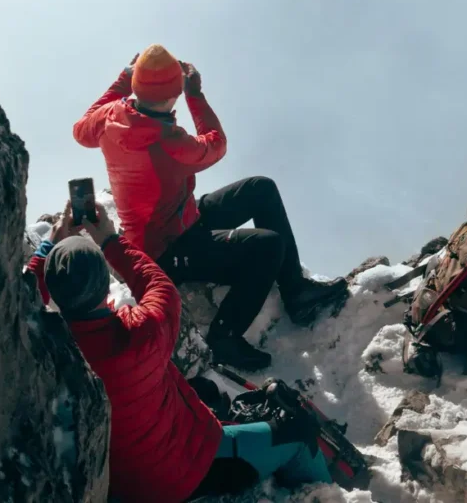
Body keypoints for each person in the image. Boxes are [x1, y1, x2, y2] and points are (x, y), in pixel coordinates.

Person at [25, 202, 332, 502]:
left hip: (122, 485)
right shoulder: (141, 333)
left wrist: (51, 242)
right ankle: (330, 495)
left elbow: (22, 300)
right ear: (106, 285)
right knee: (299, 431)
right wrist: (108, 238)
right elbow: (159, 285)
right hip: (188, 473)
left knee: (203, 390)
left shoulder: (49, 349)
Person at [72, 44, 348, 371]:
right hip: (168, 249)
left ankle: (296, 292)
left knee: (260, 189)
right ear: (173, 94)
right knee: (268, 246)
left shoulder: (110, 116)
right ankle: (225, 337)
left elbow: (81, 129)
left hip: (180, 218)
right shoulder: (168, 140)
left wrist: (126, 77)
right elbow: (216, 144)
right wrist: (195, 94)